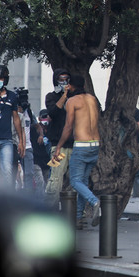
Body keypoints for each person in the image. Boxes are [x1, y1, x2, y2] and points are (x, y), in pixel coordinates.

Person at [54, 75, 101, 227]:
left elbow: (68, 127)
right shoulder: (92, 99)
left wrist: (59, 146)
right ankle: (79, 217)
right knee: (83, 182)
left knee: (75, 181)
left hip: (82, 145)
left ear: (70, 85)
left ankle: (94, 202)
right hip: (95, 145)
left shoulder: (72, 101)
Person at [43, 69, 75, 207]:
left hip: (75, 145)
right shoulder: (51, 96)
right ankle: (51, 209)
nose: (64, 82)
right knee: (55, 179)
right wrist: (64, 95)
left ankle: (76, 212)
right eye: (61, 79)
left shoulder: (75, 97)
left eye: (66, 79)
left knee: (75, 180)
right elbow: (53, 112)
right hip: (58, 146)